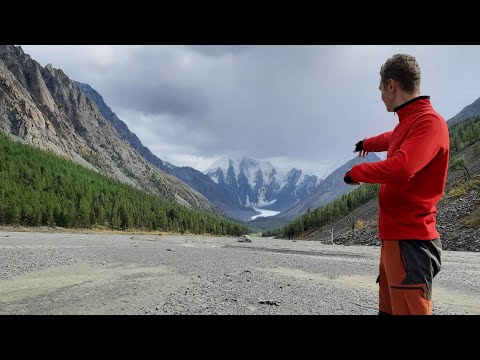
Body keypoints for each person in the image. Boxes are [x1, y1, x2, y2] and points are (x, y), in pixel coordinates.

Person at [343, 54, 450, 315]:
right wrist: (367, 143)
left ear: (391, 85)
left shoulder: (429, 122)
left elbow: (403, 167)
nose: (381, 96)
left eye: (381, 89)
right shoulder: (410, 122)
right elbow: (392, 138)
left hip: (411, 242)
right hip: (396, 239)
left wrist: (358, 173)